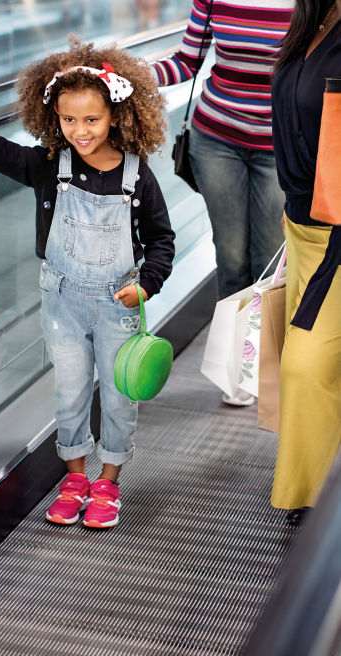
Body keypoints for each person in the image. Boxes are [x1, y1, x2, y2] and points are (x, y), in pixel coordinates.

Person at [0, 39, 175, 529]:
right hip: (62, 302)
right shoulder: (50, 165)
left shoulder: (139, 176)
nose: (80, 131)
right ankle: (75, 479)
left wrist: (146, 286)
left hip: (118, 303)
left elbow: (161, 240)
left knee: (118, 396)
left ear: (115, 115)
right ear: (55, 118)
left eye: (91, 120)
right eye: (69, 121)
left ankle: (108, 480)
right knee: (69, 391)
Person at [151, 0, 293, 406]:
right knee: (231, 257)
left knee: (268, 258)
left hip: (280, 145)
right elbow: (186, 61)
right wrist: (126, 74)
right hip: (216, 139)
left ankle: (259, 364)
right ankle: (237, 368)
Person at [270, 0, 341, 524]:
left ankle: (316, 504)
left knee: (306, 365)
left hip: (338, 235)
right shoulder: (310, 21)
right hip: (302, 227)